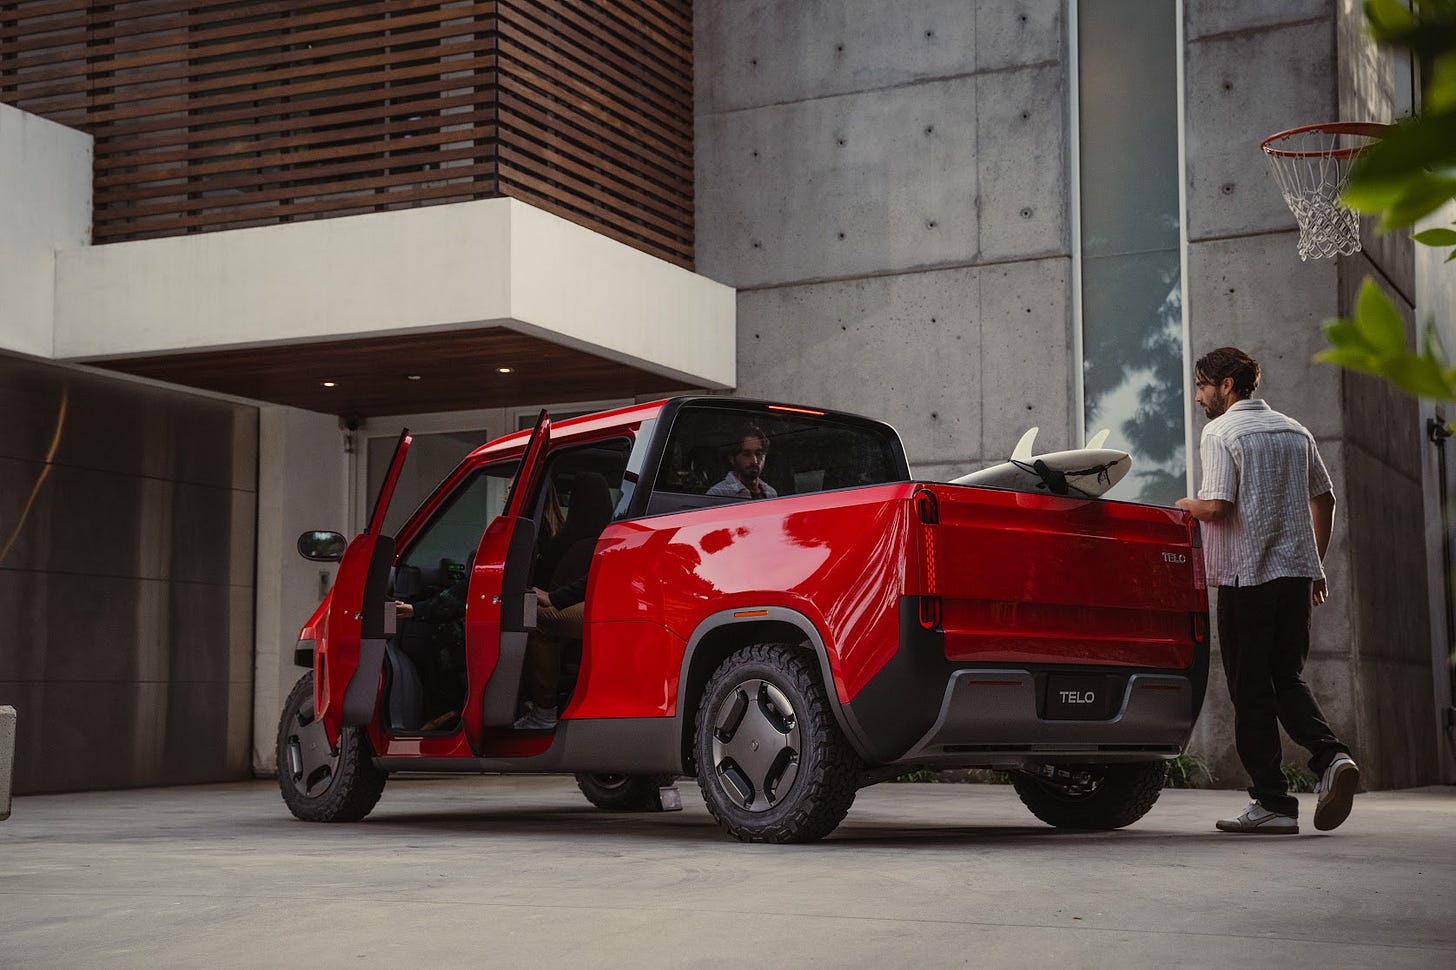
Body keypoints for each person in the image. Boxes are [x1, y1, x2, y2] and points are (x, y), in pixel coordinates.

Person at [1175, 346, 1360, 834]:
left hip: (1246, 576)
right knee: (1286, 678)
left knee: (1250, 688)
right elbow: (1326, 498)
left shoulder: (1221, 432)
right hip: (1295, 577)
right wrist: (1315, 564)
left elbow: (1216, 507)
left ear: (1227, 387)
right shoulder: (1294, 430)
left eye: (1202, 386)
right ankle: (1332, 757)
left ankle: (1273, 803)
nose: (1198, 397)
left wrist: (1185, 505)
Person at [513, 472, 614, 731]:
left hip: (605, 610)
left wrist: (554, 598)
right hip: (615, 607)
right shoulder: (614, 533)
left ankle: (544, 711)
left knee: (533, 618)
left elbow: (591, 581)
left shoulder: (569, 539)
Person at [706, 425, 778, 499]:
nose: (754, 461)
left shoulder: (770, 493)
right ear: (732, 459)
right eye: (746, 454)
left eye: (758, 453)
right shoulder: (718, 493)